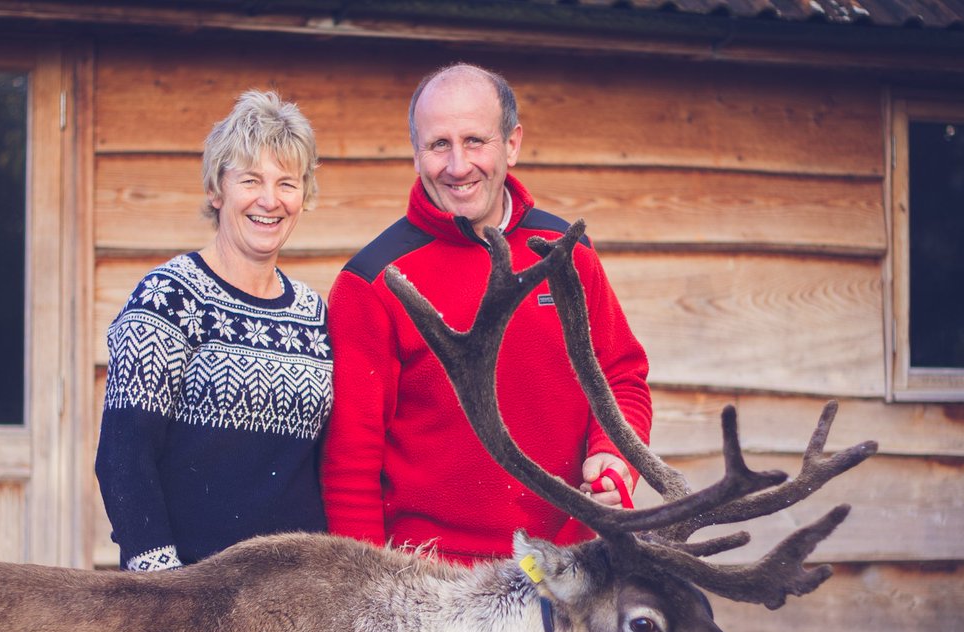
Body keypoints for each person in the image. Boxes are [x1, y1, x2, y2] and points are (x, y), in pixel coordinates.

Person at [321, 63, 652, 564]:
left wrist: (613, 455)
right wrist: (366, 593)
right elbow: (350, 463)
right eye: (439, 145)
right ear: (416, 153)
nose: (457, 166)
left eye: (475, 140)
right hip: (434, 588)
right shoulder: (371, 284)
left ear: (512, 144)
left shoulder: (565, 254)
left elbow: (620, 377)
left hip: (568, 570)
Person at [96, 90, 332, 571]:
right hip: (190, 605)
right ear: (216, 189)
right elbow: (124, 458)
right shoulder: (168, 298)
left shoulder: (314, 314)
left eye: (287, 183)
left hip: (296, 604)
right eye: (251, 180)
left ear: (304, 196)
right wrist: (162, 590)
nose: (270, 201)